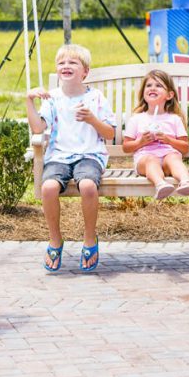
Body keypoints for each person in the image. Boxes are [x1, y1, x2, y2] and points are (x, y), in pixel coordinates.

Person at [25, 44, 115, 272]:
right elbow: (38, 128)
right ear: (57, 71)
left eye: (72, 62)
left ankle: (89, 238)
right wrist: (29, 101)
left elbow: (110, 134)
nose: (66, 66)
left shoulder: (95, 98)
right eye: (62, 63)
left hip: (89, 155)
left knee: (87, 186)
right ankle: (55, 239)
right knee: (48, 188)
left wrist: (92, 119)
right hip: (59, 156)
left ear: (85, 72)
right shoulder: (52, 98)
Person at [122, 69, 189, 200]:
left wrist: (168, 140)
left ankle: (185, 182)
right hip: (145, 160)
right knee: (151, 159)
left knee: (173, 157)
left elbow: (185, 147)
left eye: (159, 85)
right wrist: (141, 142)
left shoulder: (174, 119)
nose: (153, 88)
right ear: (143, 92)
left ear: (169, 95)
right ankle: (160, 184)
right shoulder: (137, 119)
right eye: (149, 85)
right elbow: (126, 147)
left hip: (168, 159)